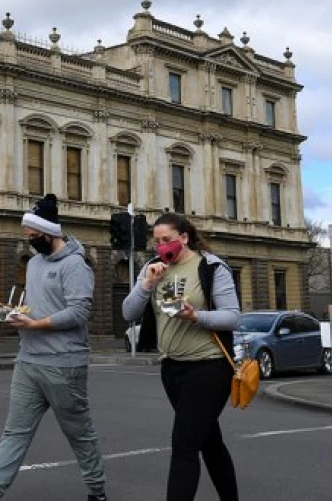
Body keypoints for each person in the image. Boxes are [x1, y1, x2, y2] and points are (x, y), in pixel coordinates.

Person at [0, 194, 108, 501]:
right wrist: (16, 312)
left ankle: (97, 492)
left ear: (50, 233)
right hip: (28, 361)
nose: (31, 241)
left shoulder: (76, 266)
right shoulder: (34, 263)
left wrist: (35, 325)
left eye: (34, 236)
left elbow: (78, 313)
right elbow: (37, 306)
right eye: (28, 236)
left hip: (63, 363)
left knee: (79, 434)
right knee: (14, 432)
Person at [121, 212, 240, 501]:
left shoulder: (210, 267)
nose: (162, 246)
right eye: (157, 241)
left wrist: (196, 315)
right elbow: (128, 312)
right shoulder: (152, 268)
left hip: (209, 366)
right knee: (209, 441)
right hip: (172, 368)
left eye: (167, 240)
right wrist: (146, 285)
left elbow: (233, 317)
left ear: (184, 238)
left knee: (184, 444)